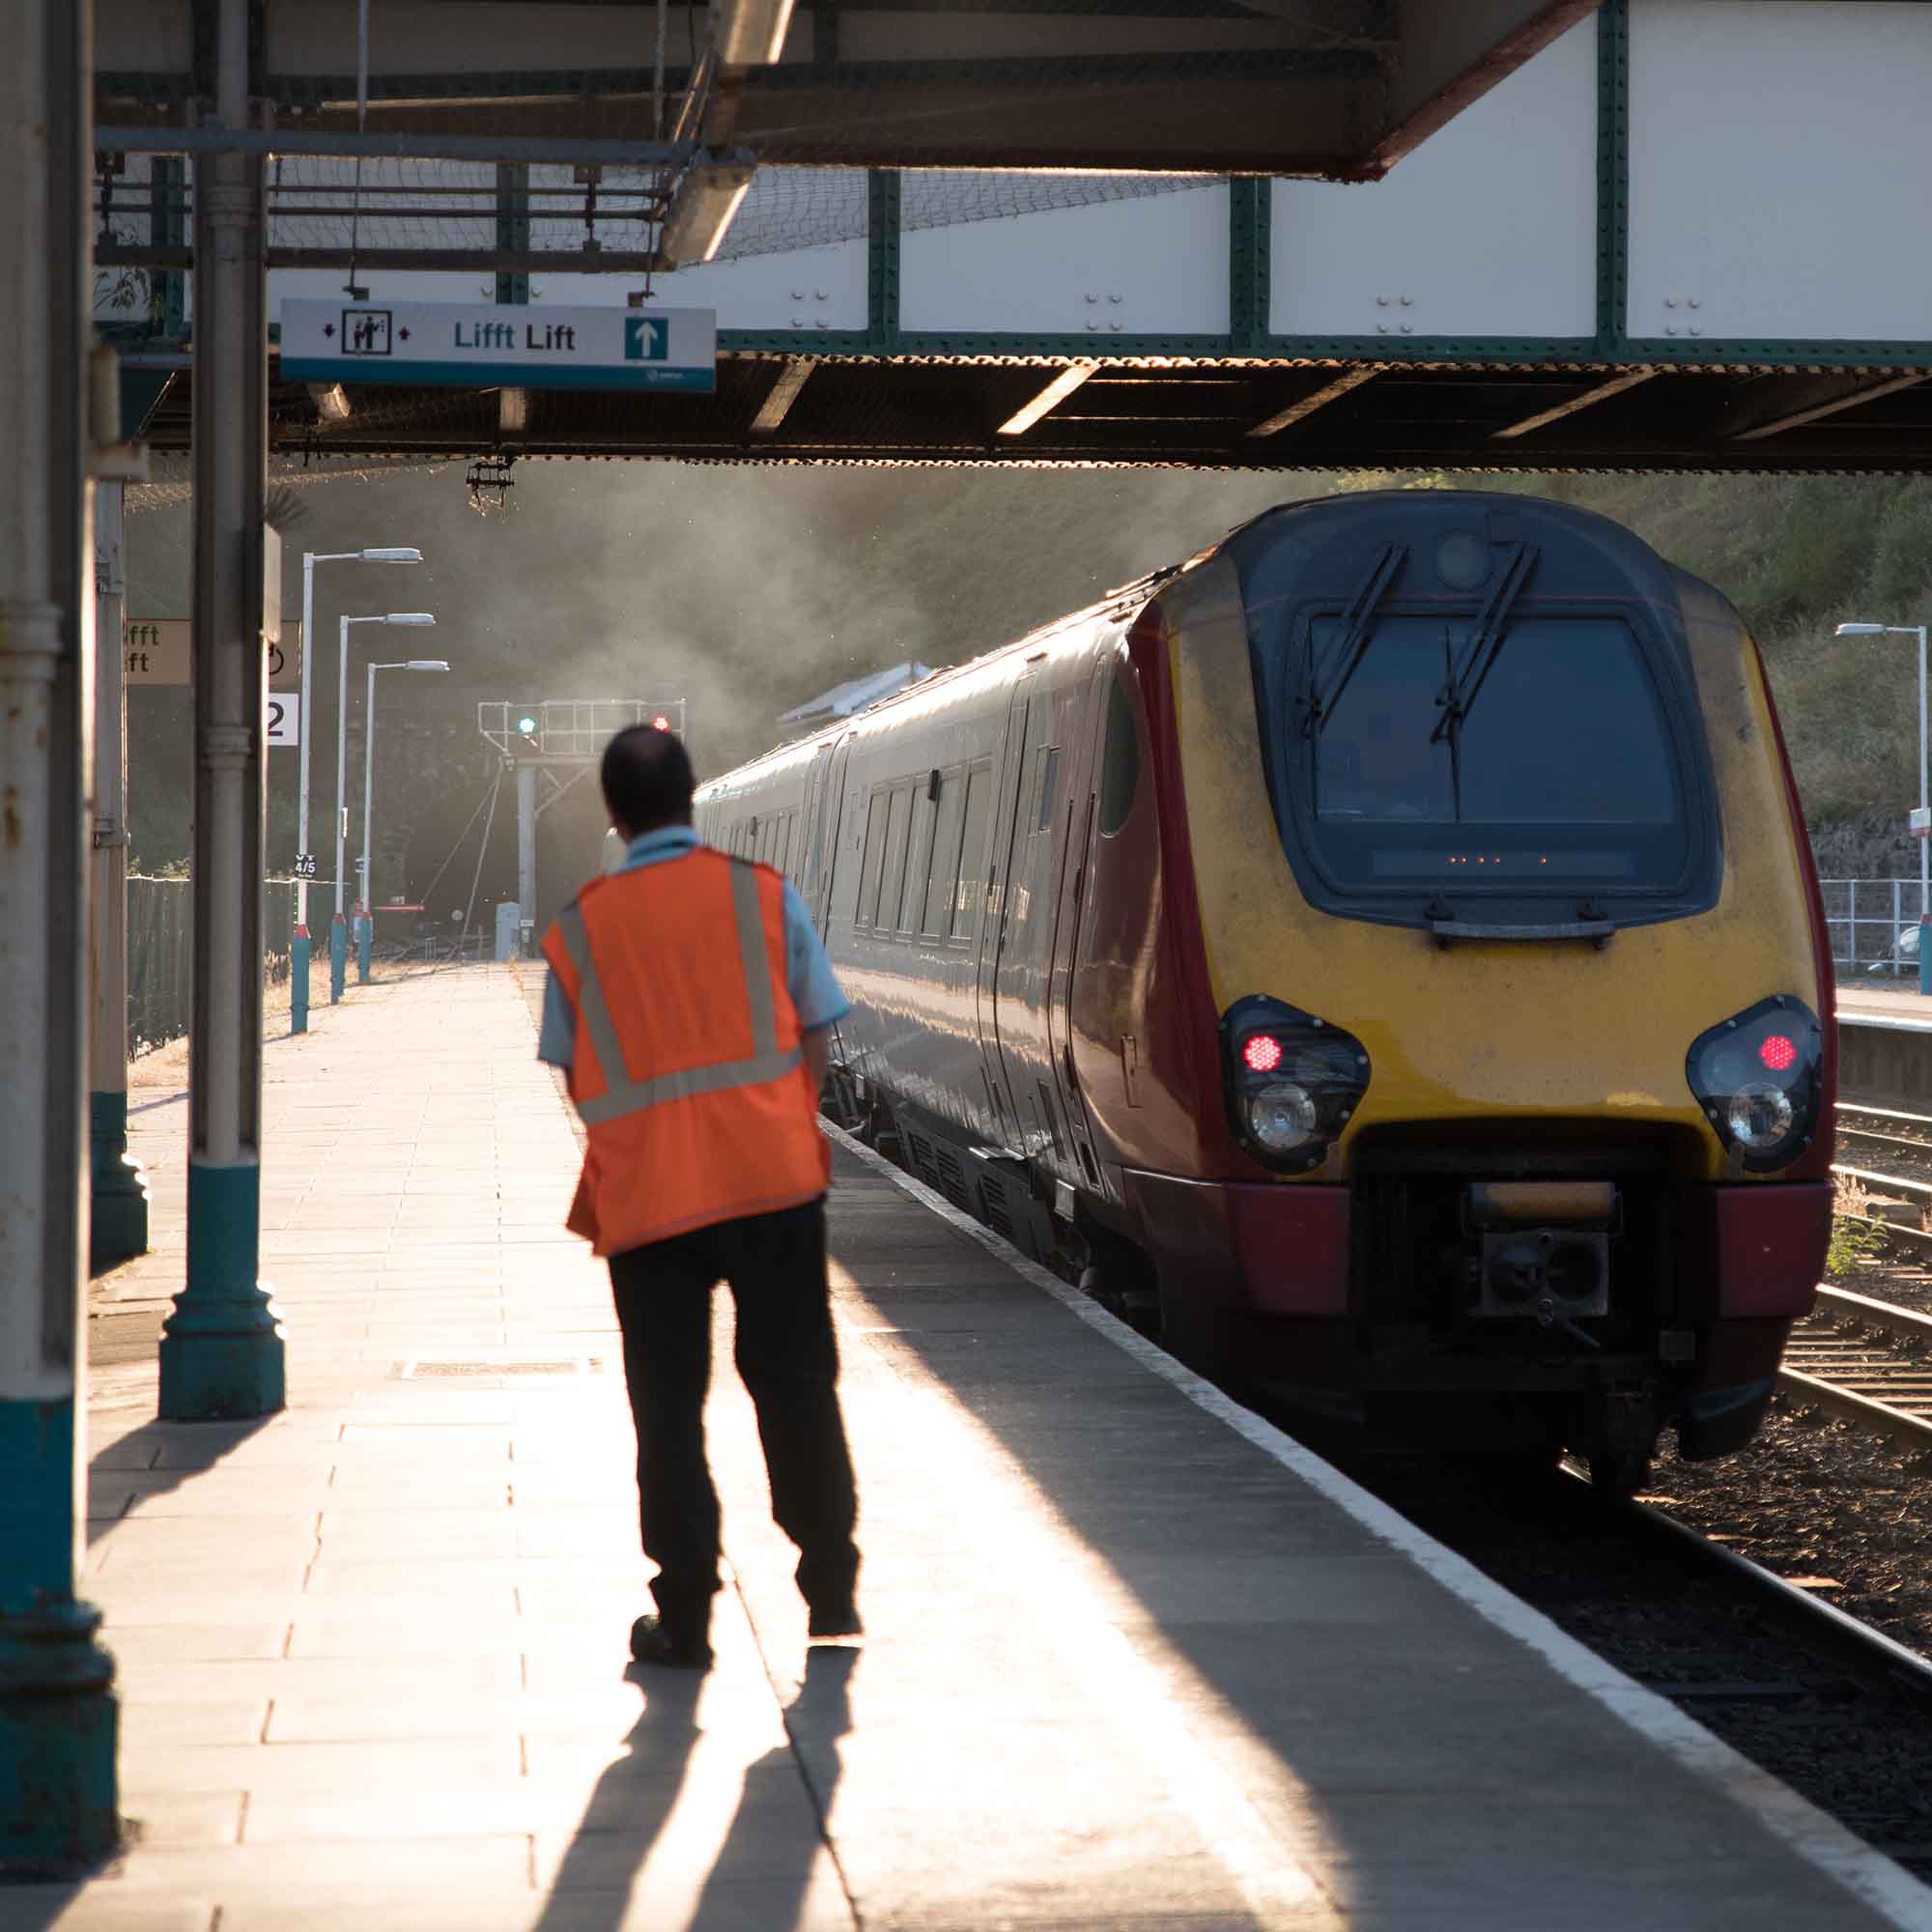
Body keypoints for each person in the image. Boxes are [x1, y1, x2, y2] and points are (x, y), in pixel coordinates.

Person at [537, 725, 861, 1670]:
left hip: (647, 1199)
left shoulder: (581, 927)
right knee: (796, 1383)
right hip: (772, 1183)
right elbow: (817, 1030)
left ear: (614, 813)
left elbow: (572, 1069)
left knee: (668, 1405)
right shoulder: (763, 895)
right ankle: (830, 1590)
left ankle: (683, 1616)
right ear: (692, 798)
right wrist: (781, 1122)